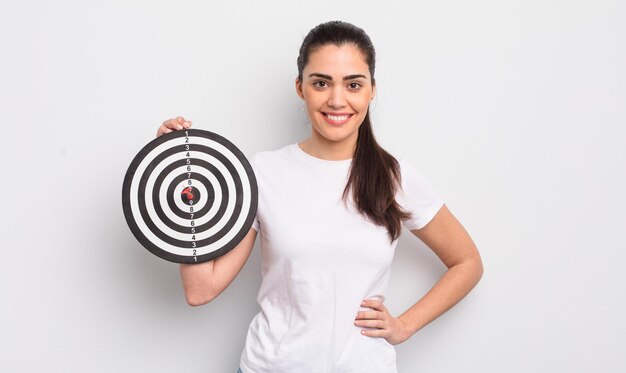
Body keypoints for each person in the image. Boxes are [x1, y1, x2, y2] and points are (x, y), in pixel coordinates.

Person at [156, 20, 483, 373]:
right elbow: (201, 289)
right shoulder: (261, 172)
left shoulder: (395, 177)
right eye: (321, 83)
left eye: (353, 84)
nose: (337, 100)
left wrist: (405, 325)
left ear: (372, 90)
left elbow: (467, 263)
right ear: (301, 88)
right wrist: (179, 174)